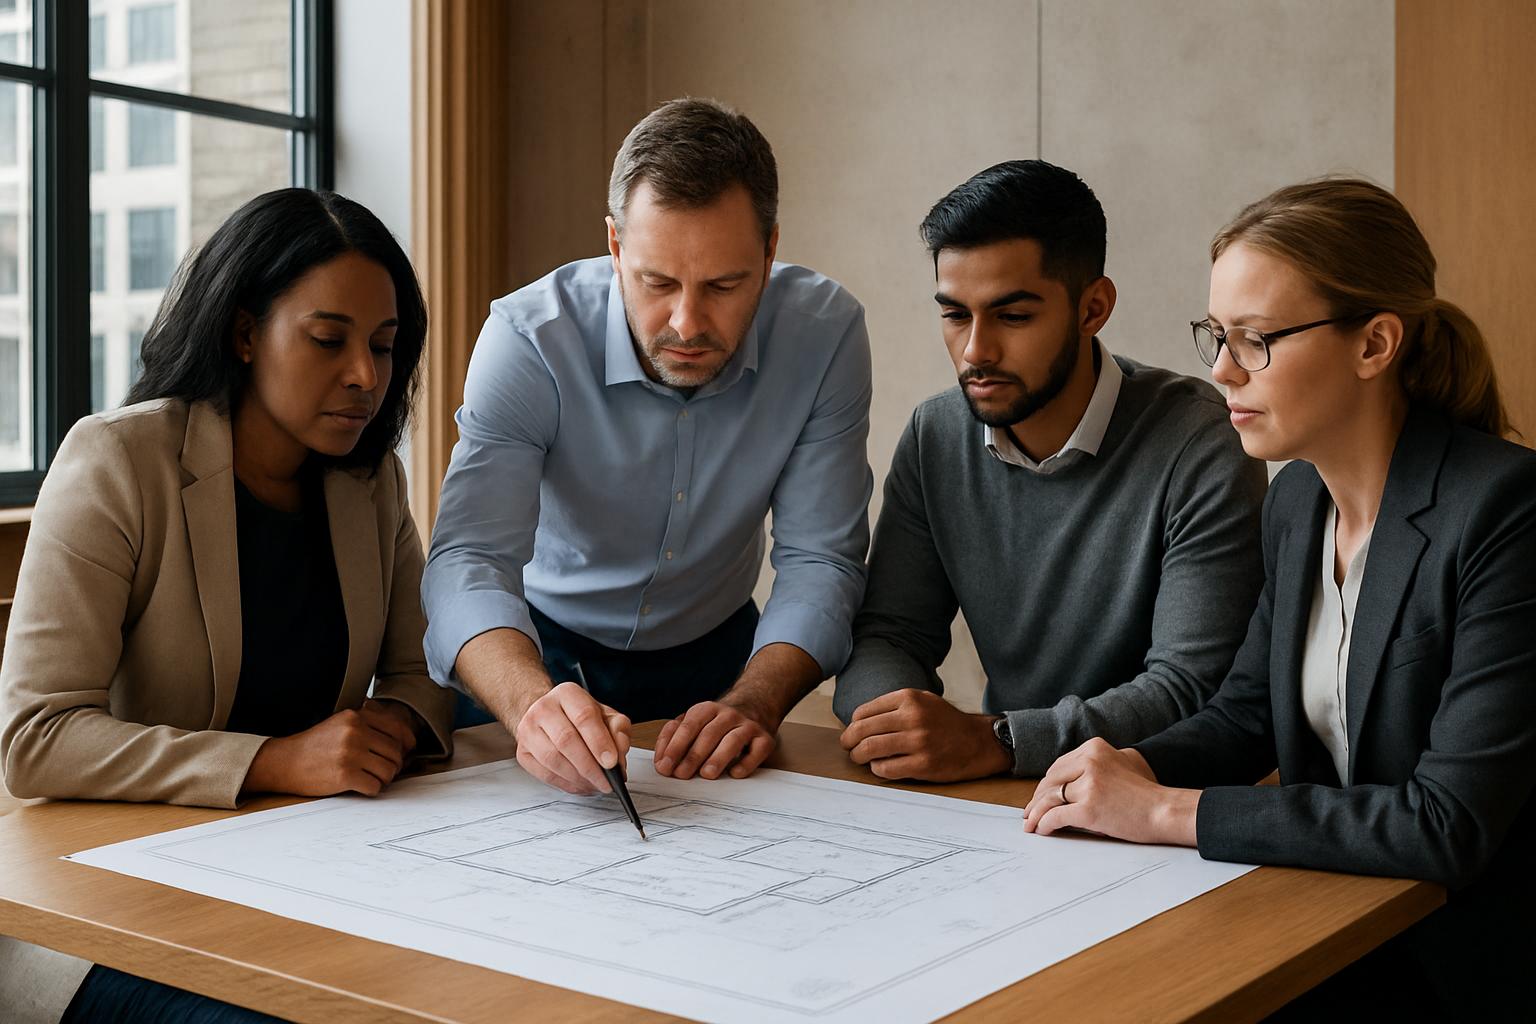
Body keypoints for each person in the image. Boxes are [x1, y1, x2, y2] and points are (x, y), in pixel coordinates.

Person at [1021, 179, 1536, 1021]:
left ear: (1375, 344)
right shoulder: (1298, 499)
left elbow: (1447, 824)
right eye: (1217, 335)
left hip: (1460, 970)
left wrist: (1161, 810)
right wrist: (1128, 766)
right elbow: (1247, 715)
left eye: (1255, 340)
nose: (1221, 369)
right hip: (1326, 929)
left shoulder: (1508, 511)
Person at [0, 188, 454, 1023]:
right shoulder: (117, 462)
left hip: (310, 875)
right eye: (328, 340)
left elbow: (422, 672)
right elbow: (35, 739)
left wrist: (389, 729)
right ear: (245, 333)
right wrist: (277, 761)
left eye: (386, 348)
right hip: (100, 907)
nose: (365, 376)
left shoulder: (369, 482)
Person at [422, 98, 871, 796]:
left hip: (724, 661)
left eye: (725, 284)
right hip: (531, 657)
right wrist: (527, 703)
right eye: (656, 282)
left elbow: (820, 558)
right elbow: (469, 560)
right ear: (614, 247)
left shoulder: (826, 333)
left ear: (771, 250)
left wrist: (758, 698)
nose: (687, 323)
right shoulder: (528, 339)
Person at [833, 160, 1266, 781]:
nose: (976, 351)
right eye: (955, 315)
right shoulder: (937, 436)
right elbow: (888, 636)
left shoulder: (1199, 443)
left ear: (1093, 308)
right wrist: (898, 722)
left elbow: (1192, 690)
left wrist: (1001, 741)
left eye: (1013, 316)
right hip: (1005, 797)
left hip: (1154, 798)